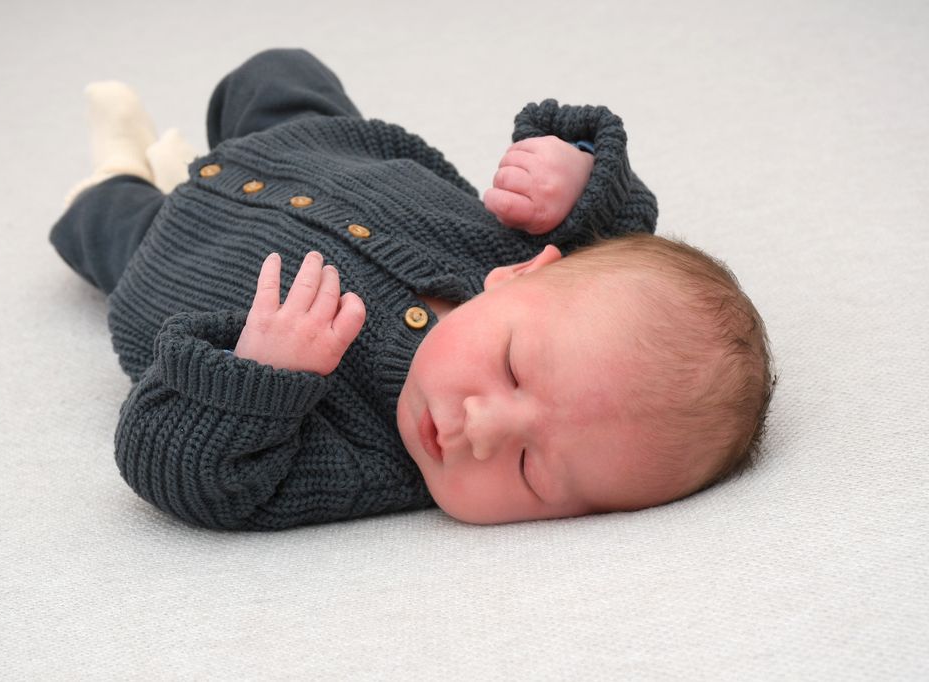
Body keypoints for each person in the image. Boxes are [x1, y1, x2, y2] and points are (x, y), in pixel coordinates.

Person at [50, 48, 774, 530]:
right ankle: (186, 155)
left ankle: (119, 173)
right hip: (317, 149)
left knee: (98, 222)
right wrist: (573, 171)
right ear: (525, 274)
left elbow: (190, 475)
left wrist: (259, 379)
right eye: (512, 367)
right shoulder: (546, 266)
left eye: (530, 470)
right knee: (276, 72)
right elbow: (623, 233)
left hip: (171, 257)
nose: (480, 430)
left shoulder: (366, 462)